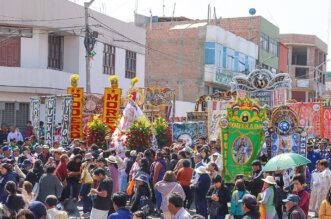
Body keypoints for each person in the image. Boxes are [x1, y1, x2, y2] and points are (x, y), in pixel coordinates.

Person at [151, 150, 166, 215]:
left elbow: (155, 175)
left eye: (156, 155)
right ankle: (161, 209)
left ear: (158, 156)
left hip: (158, 182)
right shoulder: (164, 162)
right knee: (161, 197)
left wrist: (154, 184)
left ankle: (158, 211)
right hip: (162, 181)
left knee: (158, 197)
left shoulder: (158, 163)